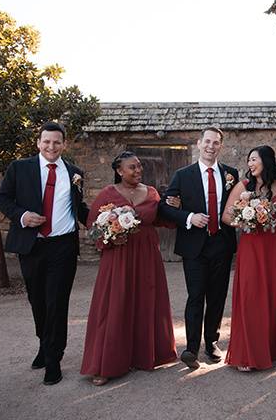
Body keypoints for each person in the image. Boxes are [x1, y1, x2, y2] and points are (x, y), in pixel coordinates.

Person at [0, 122, 89, 386]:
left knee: (56, 303)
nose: (51, 146)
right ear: (38, 143)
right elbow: (2, 199)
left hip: (63, 246)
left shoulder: (75, 172)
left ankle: (53, 359)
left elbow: (78, 207)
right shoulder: (19, 168)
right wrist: (23, 216)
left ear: (64, 145)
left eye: (57, 142)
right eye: (47, 142)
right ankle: (44, 344)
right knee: (37, 301)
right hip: (32, 246)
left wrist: (103, 219)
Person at [80, 152, 177, 385]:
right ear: (119, 171)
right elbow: (93, 227)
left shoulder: (152, 193)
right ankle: (106, 364)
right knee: (114, 304)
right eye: (132, 167)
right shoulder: (107, 194)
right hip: (118, 256)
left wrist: (175, 206)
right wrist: (110, 237)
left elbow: (163, 220)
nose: (138, 170)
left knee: (146, 301)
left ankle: (146, 355)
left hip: (146, 254)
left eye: (139, 166)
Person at [158, 127, 239, 370]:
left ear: (220, 146)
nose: (211, 146)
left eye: (216, 142)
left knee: (217, 296)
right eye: (207, 141)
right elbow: (165, 207)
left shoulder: (231, 175)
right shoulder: (183, 175)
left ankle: (211, 343)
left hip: (221, 243)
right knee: (196, 296)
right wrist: (189, 217)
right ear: (198, 143)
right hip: (194, 245)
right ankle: (191, 348)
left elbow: (238, 203)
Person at [222, 146, 276, 371]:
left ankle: (273, 348)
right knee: (251, 296)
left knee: (275, 295)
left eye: (254, 159)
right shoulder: (243, 186)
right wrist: (247, 221)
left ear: (266, 161)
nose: (250, 164)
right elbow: (226, 216)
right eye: (248, 160)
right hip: (252, 246)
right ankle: (249, 353)